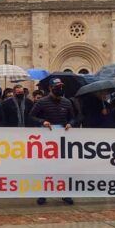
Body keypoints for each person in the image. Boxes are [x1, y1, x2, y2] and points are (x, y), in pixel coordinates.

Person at [29, 78, 76, 206]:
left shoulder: (67, 102)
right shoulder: (42, 102)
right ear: (50, 88)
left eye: (61, 86)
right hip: (46, 141)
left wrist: (70, 124)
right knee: (45, 168)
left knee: (63, 168)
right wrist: (42, 122)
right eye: (57, 87)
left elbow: (73, 118)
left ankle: (64, 193)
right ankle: (43, 193)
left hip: (62, 140)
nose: (59, 89)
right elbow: (31, 116)